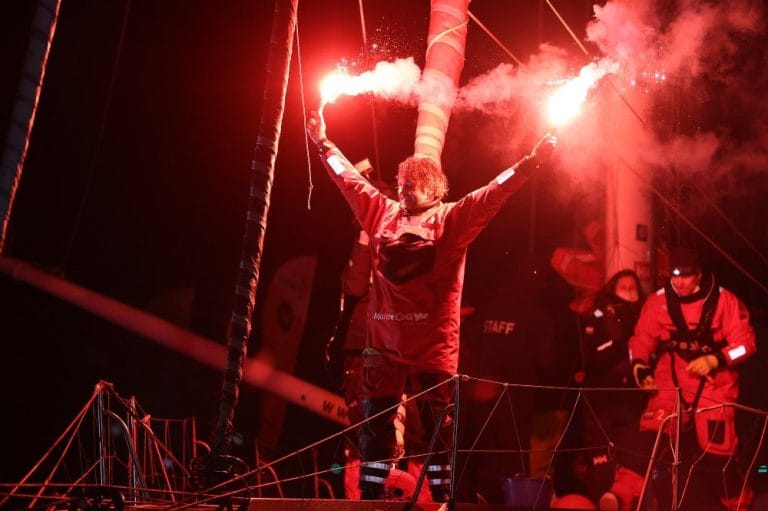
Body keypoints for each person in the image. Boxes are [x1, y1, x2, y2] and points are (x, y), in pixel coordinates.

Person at [307, 109, 556, 501]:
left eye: (416, 183)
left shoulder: (453, 218)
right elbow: (348, 181)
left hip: (431, 347)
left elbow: (494, 192)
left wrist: (530, 161)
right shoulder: (383, 211)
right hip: (385, 345)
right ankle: (371, 504)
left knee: (439, 431)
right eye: (404, 182)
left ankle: (440, 501)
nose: (406, 189)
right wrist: (322, 143)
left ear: (437, 188)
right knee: (375, 430)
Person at [599, 247, 757, 511]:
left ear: (699, 275)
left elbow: (747, 344)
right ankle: (619, 497)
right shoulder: (657, 303)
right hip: (670, 381)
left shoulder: (725, 302)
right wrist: (639, 365)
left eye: (686, 275)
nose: (680, 282)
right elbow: (641, 339)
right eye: (675, 275)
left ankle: (739, 505)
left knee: (718, 459)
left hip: (714, 386)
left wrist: (717, 359)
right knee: (649, 441)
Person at [578, 270, 646, 504]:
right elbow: (590, 358)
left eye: (632, 287)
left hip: (632, 402)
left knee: (632, 462)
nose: (628, 290)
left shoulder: (647, 319)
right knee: (600, 463)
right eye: (622, 286)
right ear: (612, 289)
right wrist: (620, 345)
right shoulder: (599, 315)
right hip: (601, 400)